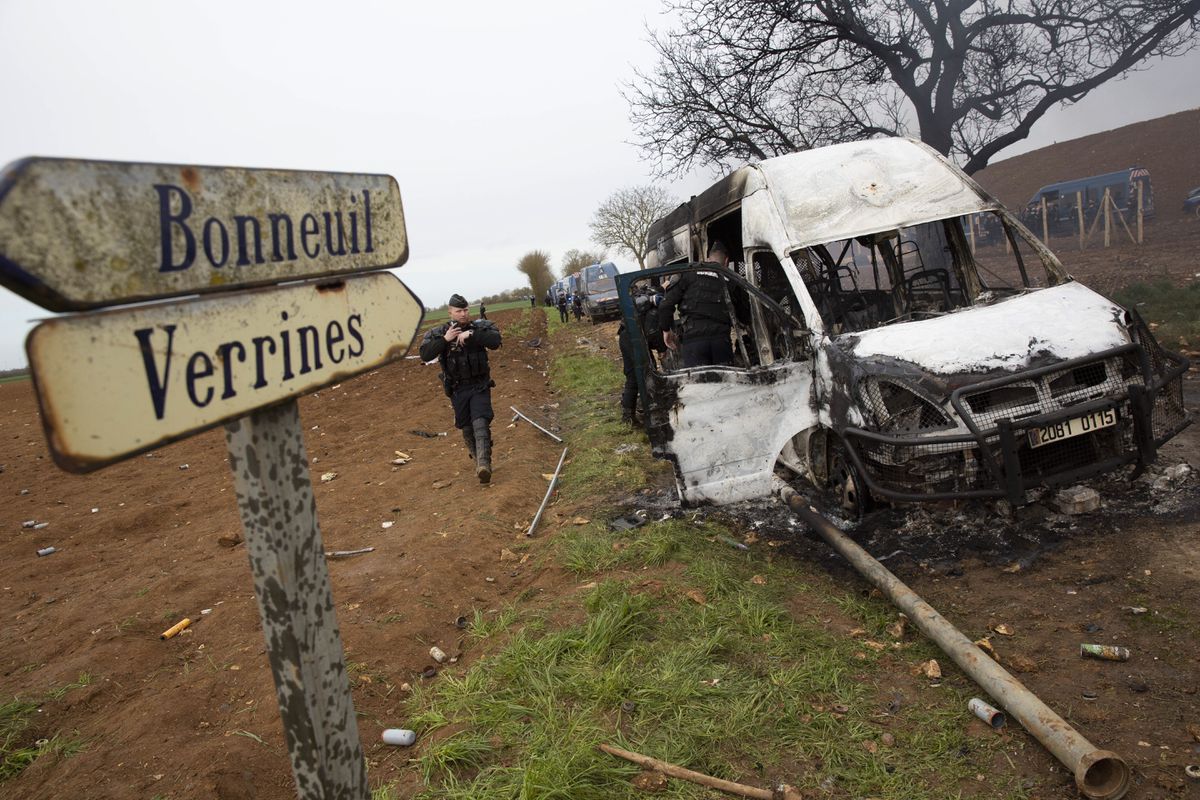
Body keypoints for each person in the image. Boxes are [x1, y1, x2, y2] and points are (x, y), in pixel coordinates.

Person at [418, 294, 502, 483]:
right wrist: (446, 340)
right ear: (450, 312)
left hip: (479, 385)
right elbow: (425, 354)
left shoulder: (479, 328)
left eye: (465, 310)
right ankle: (477, 460)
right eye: (458, 311)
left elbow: (495, 341)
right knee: (466, 427)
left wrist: (472, 335)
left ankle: (484, 464)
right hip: (458, 389)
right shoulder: (439, 333)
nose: (463, 314)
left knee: (480, 421)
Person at [658, 240, 735, 367]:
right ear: (726, 261)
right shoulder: (731, 282)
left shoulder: (688, 274)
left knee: (700, 385)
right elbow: (744, 312)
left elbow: (666, 305)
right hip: (721, 341)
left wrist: (666, 331)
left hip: (694, 342)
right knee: (726, 384)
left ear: (708, 259)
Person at [618, 286, 666, 425]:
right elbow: (653, 333)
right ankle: (653, 412)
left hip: (625, 336)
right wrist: (662, 350)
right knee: (649, 373)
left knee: (633, 376)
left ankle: (628, 416)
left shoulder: (642, 300)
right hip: (634, 340)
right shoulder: (654, 311)